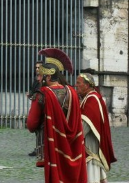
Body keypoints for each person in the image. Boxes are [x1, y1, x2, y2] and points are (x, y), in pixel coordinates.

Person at [26, 48, 87, 183]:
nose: (38, 78)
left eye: (41, 75)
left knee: (55, 175)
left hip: (50, 141)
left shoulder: (42, 95)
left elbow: (31, 124)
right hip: (72, 143)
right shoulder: (72, 92)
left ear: (48, 77)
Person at [76, 73, 117, 183]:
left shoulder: (92, 100)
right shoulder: (90, 97)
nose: (76, 86)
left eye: (78, 83)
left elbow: (83, 129)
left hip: (90, 150)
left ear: (87, 85)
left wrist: (70, 136)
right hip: (91, 149)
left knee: (91, 178)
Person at [26, 61, 42, 157]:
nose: (37, 69)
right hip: (35, 105)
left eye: (39, 67)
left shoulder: (43, 81)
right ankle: (38, 148)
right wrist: (30, 94)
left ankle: (40, 148)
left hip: (41, 107)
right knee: (37, 129)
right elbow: (33, 91)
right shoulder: (36, 80)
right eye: (36, 67)